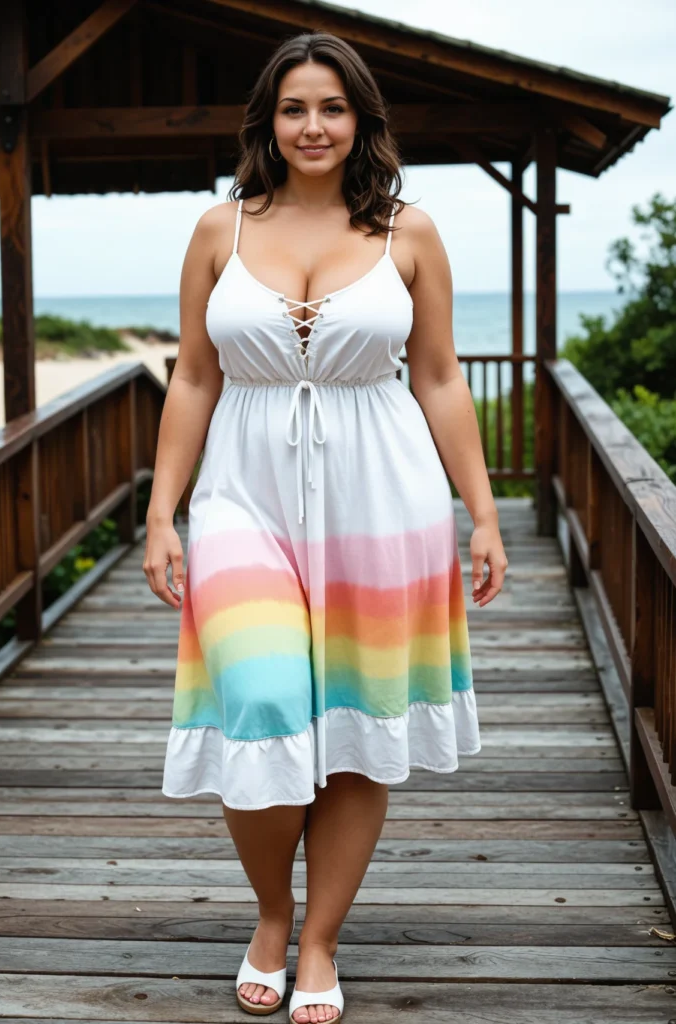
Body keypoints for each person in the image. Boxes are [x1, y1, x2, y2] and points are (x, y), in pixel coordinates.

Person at [144, 30, 507, 1024]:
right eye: (295, 107)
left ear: (360, 122)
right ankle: (269, 912)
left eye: (332, 107)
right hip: (240, 496)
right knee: (257, 698)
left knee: (352, 728)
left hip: (380, 500)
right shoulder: (219, 229)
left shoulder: (409, 233)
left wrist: (480, 513)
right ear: (267, 120)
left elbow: (436, 377)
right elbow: (192, 375)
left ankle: (317, 941)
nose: (313, 125)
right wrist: (160, 515)